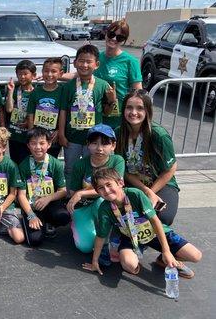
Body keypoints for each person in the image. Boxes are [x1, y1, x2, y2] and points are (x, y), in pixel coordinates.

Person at [83, 167, 202, 279]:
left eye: (109, 185)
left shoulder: (135, 194)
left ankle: (164, 259)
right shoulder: (104, 208)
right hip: (130, 237)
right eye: (101, 188)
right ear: (97, 191)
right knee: (129, 265)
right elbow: (101, 236)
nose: (106, 190)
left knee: (196, 256)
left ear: (120, 183)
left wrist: (166, 251)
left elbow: (155, 222)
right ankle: (134, 255)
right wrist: (95, 261)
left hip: (153, 232)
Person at [115, 89, 180, 226]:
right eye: (129, 108)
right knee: (123, 212)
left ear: (147, 111)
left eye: (140, 108)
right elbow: (123, 170)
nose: (133, 112)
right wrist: (145, 191)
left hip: (161, 183)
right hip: (134, 183)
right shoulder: (118, 133)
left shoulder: (159, 135)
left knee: (164, 216)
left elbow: (171, 168)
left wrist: (151, 192)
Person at [58, 44, 115, 186]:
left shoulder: (103, 85)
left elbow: (107, 113)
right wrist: (61, 134)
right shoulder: (68, 86)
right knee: (70, 168)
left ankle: (95, 194)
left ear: (96, 64)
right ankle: (71, 195)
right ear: (75, 62)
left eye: (89, 62)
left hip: (95, 139)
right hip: (72, 137)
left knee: (96, 169)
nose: (84, 65)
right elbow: (63, 111)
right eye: (81, 61)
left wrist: (112, 100)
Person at [67, 124, 125, 254]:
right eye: (94, 143)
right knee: (85, 247)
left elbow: (114, 189)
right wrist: (79, 194)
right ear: (88, 144)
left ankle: (109, 236)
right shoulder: (80, 164)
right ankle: (77, 224)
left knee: (104, 200)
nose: (99, 148)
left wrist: (83, 192)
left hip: (104, 203)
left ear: (113, 146)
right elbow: (73, 193)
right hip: (83, 207)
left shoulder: (117, 161)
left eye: (105, 144)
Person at [18, 127, 69, 246]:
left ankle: (48, 222)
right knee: (35, 240)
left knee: (64, 216)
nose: (38, 147)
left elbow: (63, 191)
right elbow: (21, 195)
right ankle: (31, 219)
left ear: (49, 144)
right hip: (32, 205)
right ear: (28, 145)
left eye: (42, 143)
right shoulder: (23, 165)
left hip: (49, 202)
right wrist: (31, 216)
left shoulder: (55, 164)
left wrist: (48, 198)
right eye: (33, 143)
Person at [94, 20, 142, 129]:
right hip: (97, 116)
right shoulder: (96, 58)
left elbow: (138, 91)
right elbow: (79, 74)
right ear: (106, 33)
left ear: (124, 40)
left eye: (120, 38)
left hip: (119, 121)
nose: (114, 39)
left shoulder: (130, 61)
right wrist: (56, 75)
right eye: (111, 34)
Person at [27, 57, 65, 158]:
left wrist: (59, 131)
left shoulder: (63, 91)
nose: (49, 75)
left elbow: (64, 113)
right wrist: (31, 135)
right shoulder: (35, 92)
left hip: (53, 138)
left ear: (60, 74)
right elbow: (30, 114)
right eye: (46, 71)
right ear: (42, 72)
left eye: (53, 71)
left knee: (51, 163)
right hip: (38, 138)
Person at [5, 59, 36, 165]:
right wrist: (10, 91)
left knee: (28, 164)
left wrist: (29, 122)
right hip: (14, 135)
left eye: (25, 74)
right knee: (15, 163)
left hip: (28, 136)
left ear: (33, 75)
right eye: (19, 74)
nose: (22, 77)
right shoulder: (14, 90)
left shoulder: (36, 92)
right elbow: (9, 109)